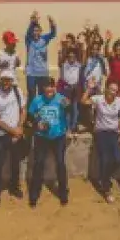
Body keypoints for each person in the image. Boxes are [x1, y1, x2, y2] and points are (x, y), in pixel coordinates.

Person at [27, 77, 70, 206]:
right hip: (41, 137)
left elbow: (69, 110)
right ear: (43, 88)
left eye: (51, 86)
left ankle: (63, 193)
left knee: (60, 163)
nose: (49, 89)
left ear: (54, 87)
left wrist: (68, 106)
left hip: (58, 136)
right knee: (39, 163)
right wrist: (37, 124)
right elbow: (30, 117)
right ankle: (34, 194)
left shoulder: (60, 99)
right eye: (47, 87)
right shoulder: (37, 100)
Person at [0, 70, 26, 206]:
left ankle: (14, 188)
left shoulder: (17, 92)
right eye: (4, 79)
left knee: (15, 162)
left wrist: (20, 127)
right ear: (0, 80)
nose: (6, 82)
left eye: (8, 79)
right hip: (2, 135)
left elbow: (23, 109)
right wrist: (13, 131)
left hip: (16, 133)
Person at [82, 81, 120, 203]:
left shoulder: (119, 102)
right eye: (111, 89)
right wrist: (89, 88)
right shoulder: (98, 99)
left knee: (117, 160)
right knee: (105, 160)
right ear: (106, 89)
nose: (113, 93)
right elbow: (83, 101)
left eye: (115, 91)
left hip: (114, 134)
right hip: (101, 133)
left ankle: (105, 177)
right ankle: (106, 189)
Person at [24, 11, 57, 105]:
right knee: (31, 94)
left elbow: (53, 33)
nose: (36, 32)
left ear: (40, 31)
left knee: (43, 94)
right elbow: (28, 31)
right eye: (34, 31)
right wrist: (33, 21)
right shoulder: (29, 40)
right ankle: (31, 116)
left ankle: (43, 115)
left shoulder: (44, 39)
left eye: (37, 30)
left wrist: (52, 22)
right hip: (31, 73)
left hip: (43, 72)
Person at [58, 41, 83, 133]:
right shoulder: (64, 65)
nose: (71, 58)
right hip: (66, 90)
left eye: (73, 56)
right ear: (67, 57)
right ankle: (67, 127)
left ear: (76, 57)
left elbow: (80, 78)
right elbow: (61, 78)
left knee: (75, 108)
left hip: (75, 89)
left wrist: (80, 45)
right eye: (69, 56)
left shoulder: (79, 65)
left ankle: (74, 126)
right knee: (67, 109)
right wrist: (64, 47)